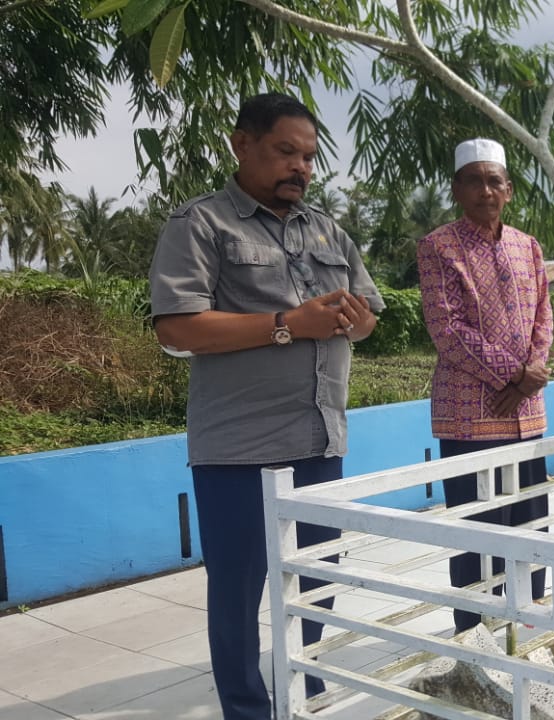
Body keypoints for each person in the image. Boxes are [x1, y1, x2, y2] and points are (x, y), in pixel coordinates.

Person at [149, 93, 384, 719]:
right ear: (241, 144)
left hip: (319, 438)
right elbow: (177, 327)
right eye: (286, 151)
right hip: (238, 449)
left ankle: (297, 689)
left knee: (317, 583)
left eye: (308, 156)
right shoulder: (201, 225)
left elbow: (366, 322)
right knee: (236, 594)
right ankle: (248, 711)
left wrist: (353, 323)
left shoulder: (328, 229)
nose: (300, 168)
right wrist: (289, 323)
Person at [416, 138, 554, 633]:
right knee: (477, 533)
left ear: (509, 190)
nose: (485, 190)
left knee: (531, 525)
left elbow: (544, 316)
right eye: (473, 179)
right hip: (469, 417)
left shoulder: (528, 246)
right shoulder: (437, 248)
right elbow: (447, 330)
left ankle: (528, 627)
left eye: (494, 180)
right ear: (457, 188)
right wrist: (515, 375)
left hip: (527, 416)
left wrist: (531, 373)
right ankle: (475, 635)